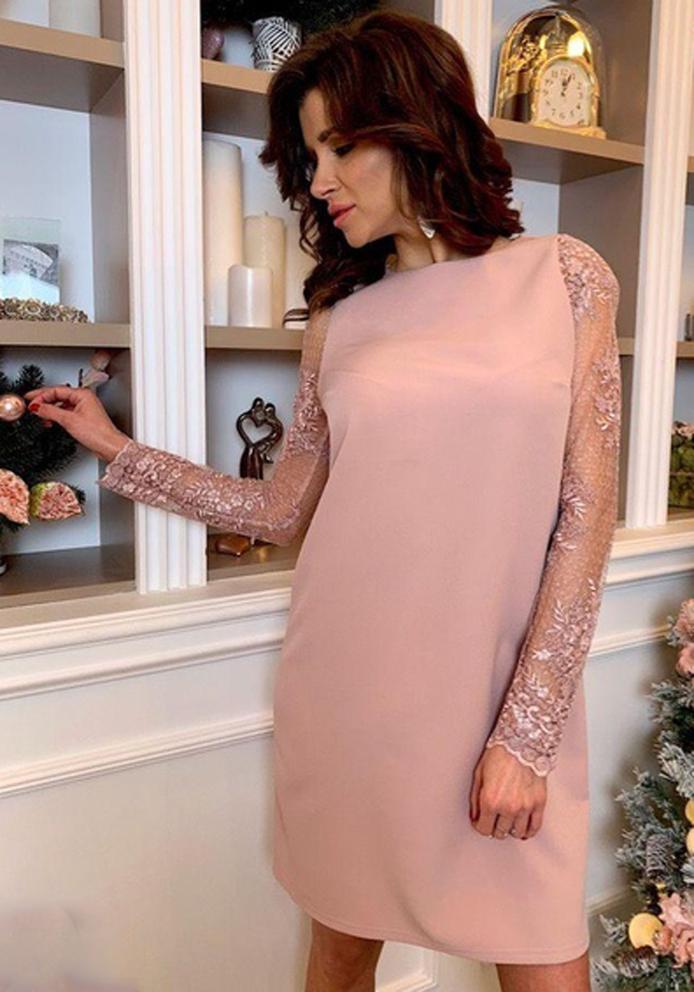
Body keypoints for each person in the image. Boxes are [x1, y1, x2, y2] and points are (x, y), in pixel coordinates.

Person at [25, 10, 621, 992]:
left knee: (545, 964)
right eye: (309, 157)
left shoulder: (565, 277)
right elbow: (280, 508)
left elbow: (585, 517)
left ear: (418, 125)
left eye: (340, 146)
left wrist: (526, 733)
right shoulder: (341, 319)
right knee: (340, 961)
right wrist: (116, 447)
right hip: (352, 698)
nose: (320, 180)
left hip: (501, 703)